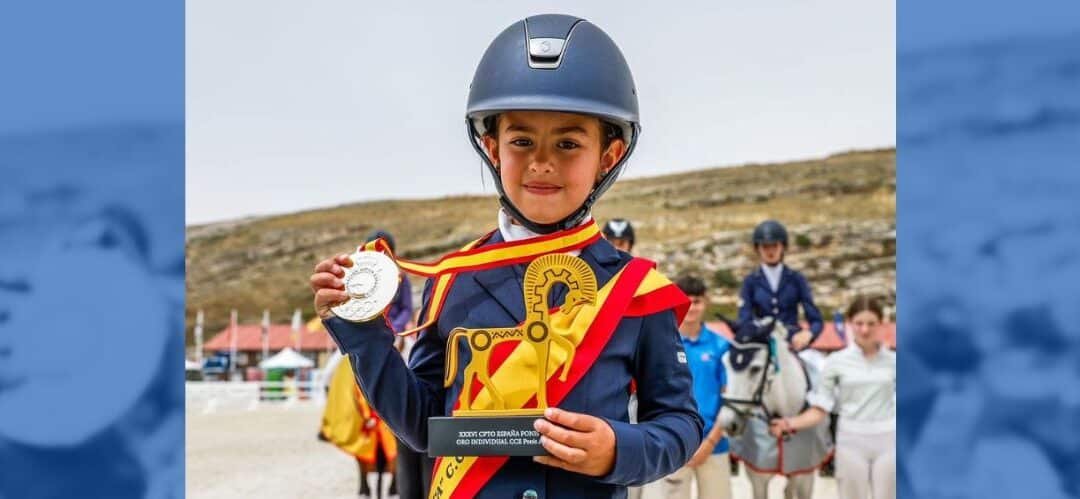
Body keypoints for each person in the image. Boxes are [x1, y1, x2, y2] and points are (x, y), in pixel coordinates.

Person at [310, 14, 702, 498]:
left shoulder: (638, 292)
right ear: (493, 149)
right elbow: (423, 425)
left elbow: (680, 423)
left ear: (608, 155)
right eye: (522, 141)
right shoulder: (452, 280)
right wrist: (361, 331)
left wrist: (618, 449)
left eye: (568, 143)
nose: (542, 161)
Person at [769, 296, 896, 499]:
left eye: (871, 323)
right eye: (859, 323)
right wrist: (787, 423)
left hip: (888, 441)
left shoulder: (895, 362)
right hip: (850, 441)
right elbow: (820, 408)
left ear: (881, 324)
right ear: (850, 323)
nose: (865, 329)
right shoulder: (836, 362)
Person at [662, 276, 732, 499]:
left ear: (706, 302)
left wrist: (710, 442)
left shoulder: (721, 346)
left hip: (714, 445)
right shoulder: (662, 343)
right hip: (672, 444)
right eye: (686, 299)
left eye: (697, 301)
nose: (691, 307)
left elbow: (729, 400)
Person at [737, 220, 823, 350]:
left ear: (782, 247)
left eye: (774, 246)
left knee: (818, 366)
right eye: (765, 247)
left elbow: (815, 319)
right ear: (758, 248)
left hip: (793, 342)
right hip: (763, 344)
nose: (770, 251)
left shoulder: (796, 279)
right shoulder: (750, 282)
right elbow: (744, 318)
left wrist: (808, 334)